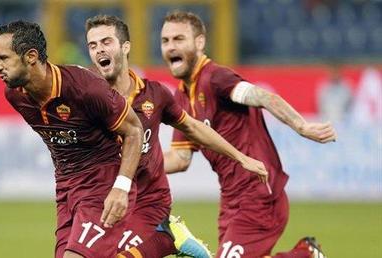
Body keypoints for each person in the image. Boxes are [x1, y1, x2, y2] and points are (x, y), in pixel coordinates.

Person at [84, 15, 269, 258]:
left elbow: (193, 127)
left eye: (106, 42)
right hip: (112, 199)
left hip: (149, 203)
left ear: (125, 46)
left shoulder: (155, 95)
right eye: (93, 45)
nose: (99, 50)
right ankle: (173, 236)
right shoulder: (87, 99)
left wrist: (240, 157)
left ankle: (168, 235)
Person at [160, 11, 337, 258]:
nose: (170, 47)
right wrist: (130, 165)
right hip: (231, 202)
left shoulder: (216, 78)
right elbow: (180, 159)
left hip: (260, 196)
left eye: (179, 39)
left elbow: (264, 96)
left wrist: (302, 126)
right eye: (165, 40)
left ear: (199, 42)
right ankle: (305, 255)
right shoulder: (180, 97)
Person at [0, 20, 144, 258]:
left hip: (103, 185)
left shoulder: (85, 88)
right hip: (66, 190)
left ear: (31, 56)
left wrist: (121, 188)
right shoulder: (15, 95)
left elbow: (134, 130)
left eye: (3, 58)